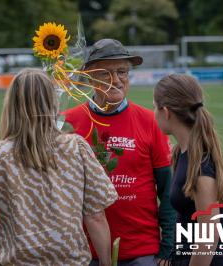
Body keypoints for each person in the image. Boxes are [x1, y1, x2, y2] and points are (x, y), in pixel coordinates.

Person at [0, 68, 118, 266]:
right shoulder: (77, 147)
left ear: (12, 105)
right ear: (52, 103)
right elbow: (96, 217)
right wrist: (106, 262)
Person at [64, 38, 176, 265]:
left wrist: (168, 248)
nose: (116, 80)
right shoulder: (68, 123)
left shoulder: (150, 122)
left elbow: (168, 192)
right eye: (105, 73)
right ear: (88, 76)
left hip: (141, 251)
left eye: (122, 72)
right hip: (82, 251)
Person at [153, 74, 223, 266]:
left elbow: (208, 238)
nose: (153, 112)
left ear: (166, 111)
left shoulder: (200, 166)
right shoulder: (183, 152)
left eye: (154, 106)